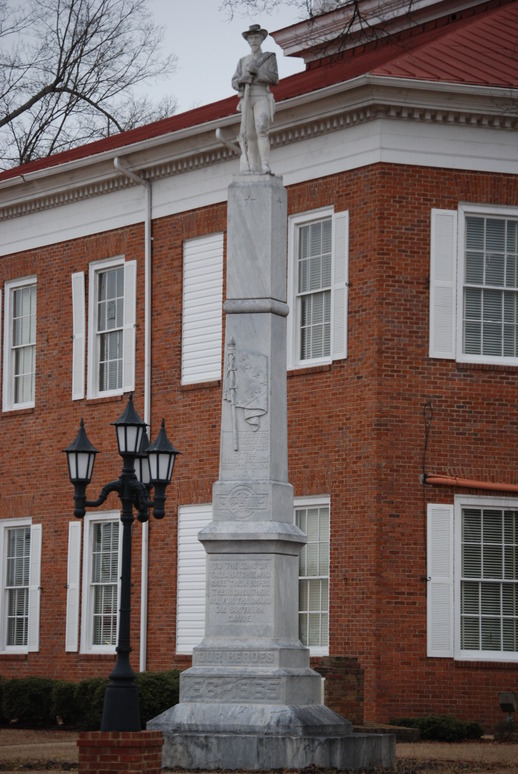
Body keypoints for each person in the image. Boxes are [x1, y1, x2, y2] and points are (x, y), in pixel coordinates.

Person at [232, 24, 279, 175]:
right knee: (249, 134)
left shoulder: (268, 57)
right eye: (251, 38)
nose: (253, 40)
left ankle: (265, 165)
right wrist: (242, 80)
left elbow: (274, 77)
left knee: (261, 128)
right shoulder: (242, 61)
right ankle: (253, 167)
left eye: (256, 37)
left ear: (261, 39)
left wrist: (257, 73)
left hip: (261, 95)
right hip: (246, 97)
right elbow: (234, 81)